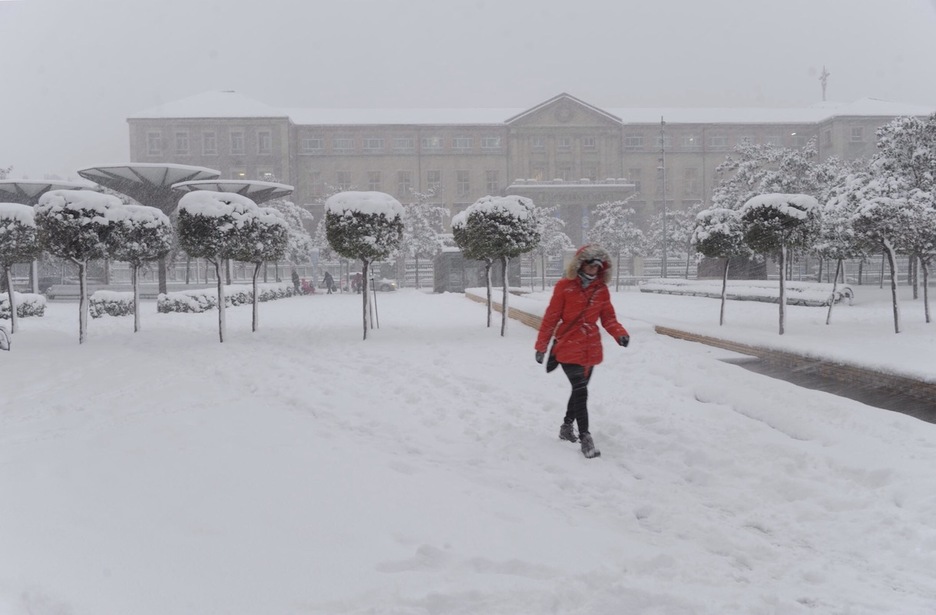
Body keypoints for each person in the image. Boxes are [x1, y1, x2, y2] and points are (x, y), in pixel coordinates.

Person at [534, 244, 630, 458]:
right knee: (581, 390)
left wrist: (619, 334)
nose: (593, 269)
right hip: (568, 346)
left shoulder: (601, 290)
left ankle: (567, 426)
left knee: (579, 391)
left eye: (598, 265)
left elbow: (608, 318)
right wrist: (541, 346)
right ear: (580, 264)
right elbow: (551, 318)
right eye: (590, 264)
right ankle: (585, 437)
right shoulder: (564, 287)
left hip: (590, 349)